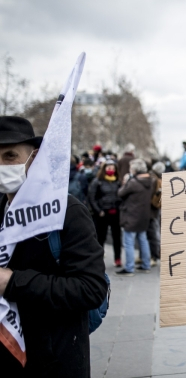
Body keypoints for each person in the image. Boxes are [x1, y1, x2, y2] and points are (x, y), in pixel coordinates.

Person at [0, 116, 108, 377]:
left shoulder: (67, 211)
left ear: (34, 158)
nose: (1, 165)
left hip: (57, 360)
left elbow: (91, 289)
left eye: (10, 156)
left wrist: (14, 282)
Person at [117, 158, 154, 276]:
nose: (130, 170)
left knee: (128, 242)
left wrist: (126, 181)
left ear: (135, 169)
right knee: (143, 240)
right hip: (144, 216)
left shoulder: (133, 183)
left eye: (131, 168)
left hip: (131, 216)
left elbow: (120, 193)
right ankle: (146, 265)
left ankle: (129, 268)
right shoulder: (150, 181)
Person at [88, 160, 123, 267]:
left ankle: (118, 259)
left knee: (117, 237)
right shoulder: (97, 181)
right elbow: (91, 198)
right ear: (104, 169)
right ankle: (98, 259)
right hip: (102, 214)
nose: (111, 170)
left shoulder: (118, 181)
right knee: (100, 237)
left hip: (115, 213)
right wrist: (99, 211)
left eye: (113, 168)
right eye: (108, 168)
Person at [147, 161, 165, 265]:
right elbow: (157, 200)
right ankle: (154, 256)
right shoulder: (157, 180)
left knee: (148, 235)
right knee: (154, 234)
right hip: (153, 211)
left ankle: (149, 256)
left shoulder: (149, 177)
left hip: (146, 210)